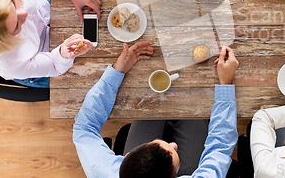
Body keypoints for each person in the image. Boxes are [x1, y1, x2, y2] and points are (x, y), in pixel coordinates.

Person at [73, 44, 239, 178]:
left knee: (150, 103)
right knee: (193, 113)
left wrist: (117, 70)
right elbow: (220, 146)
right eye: (173, 150)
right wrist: (226, 83)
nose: (174, 145)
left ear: (127, 155)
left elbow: (84, 128)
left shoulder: (104, 171)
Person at [0, 0, 100, 87]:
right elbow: (53, 65)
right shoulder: (9, 64)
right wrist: (62, 54)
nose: (25, 13)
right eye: (16, 26)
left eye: (14, 3)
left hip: (42, 7)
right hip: (38, 59)